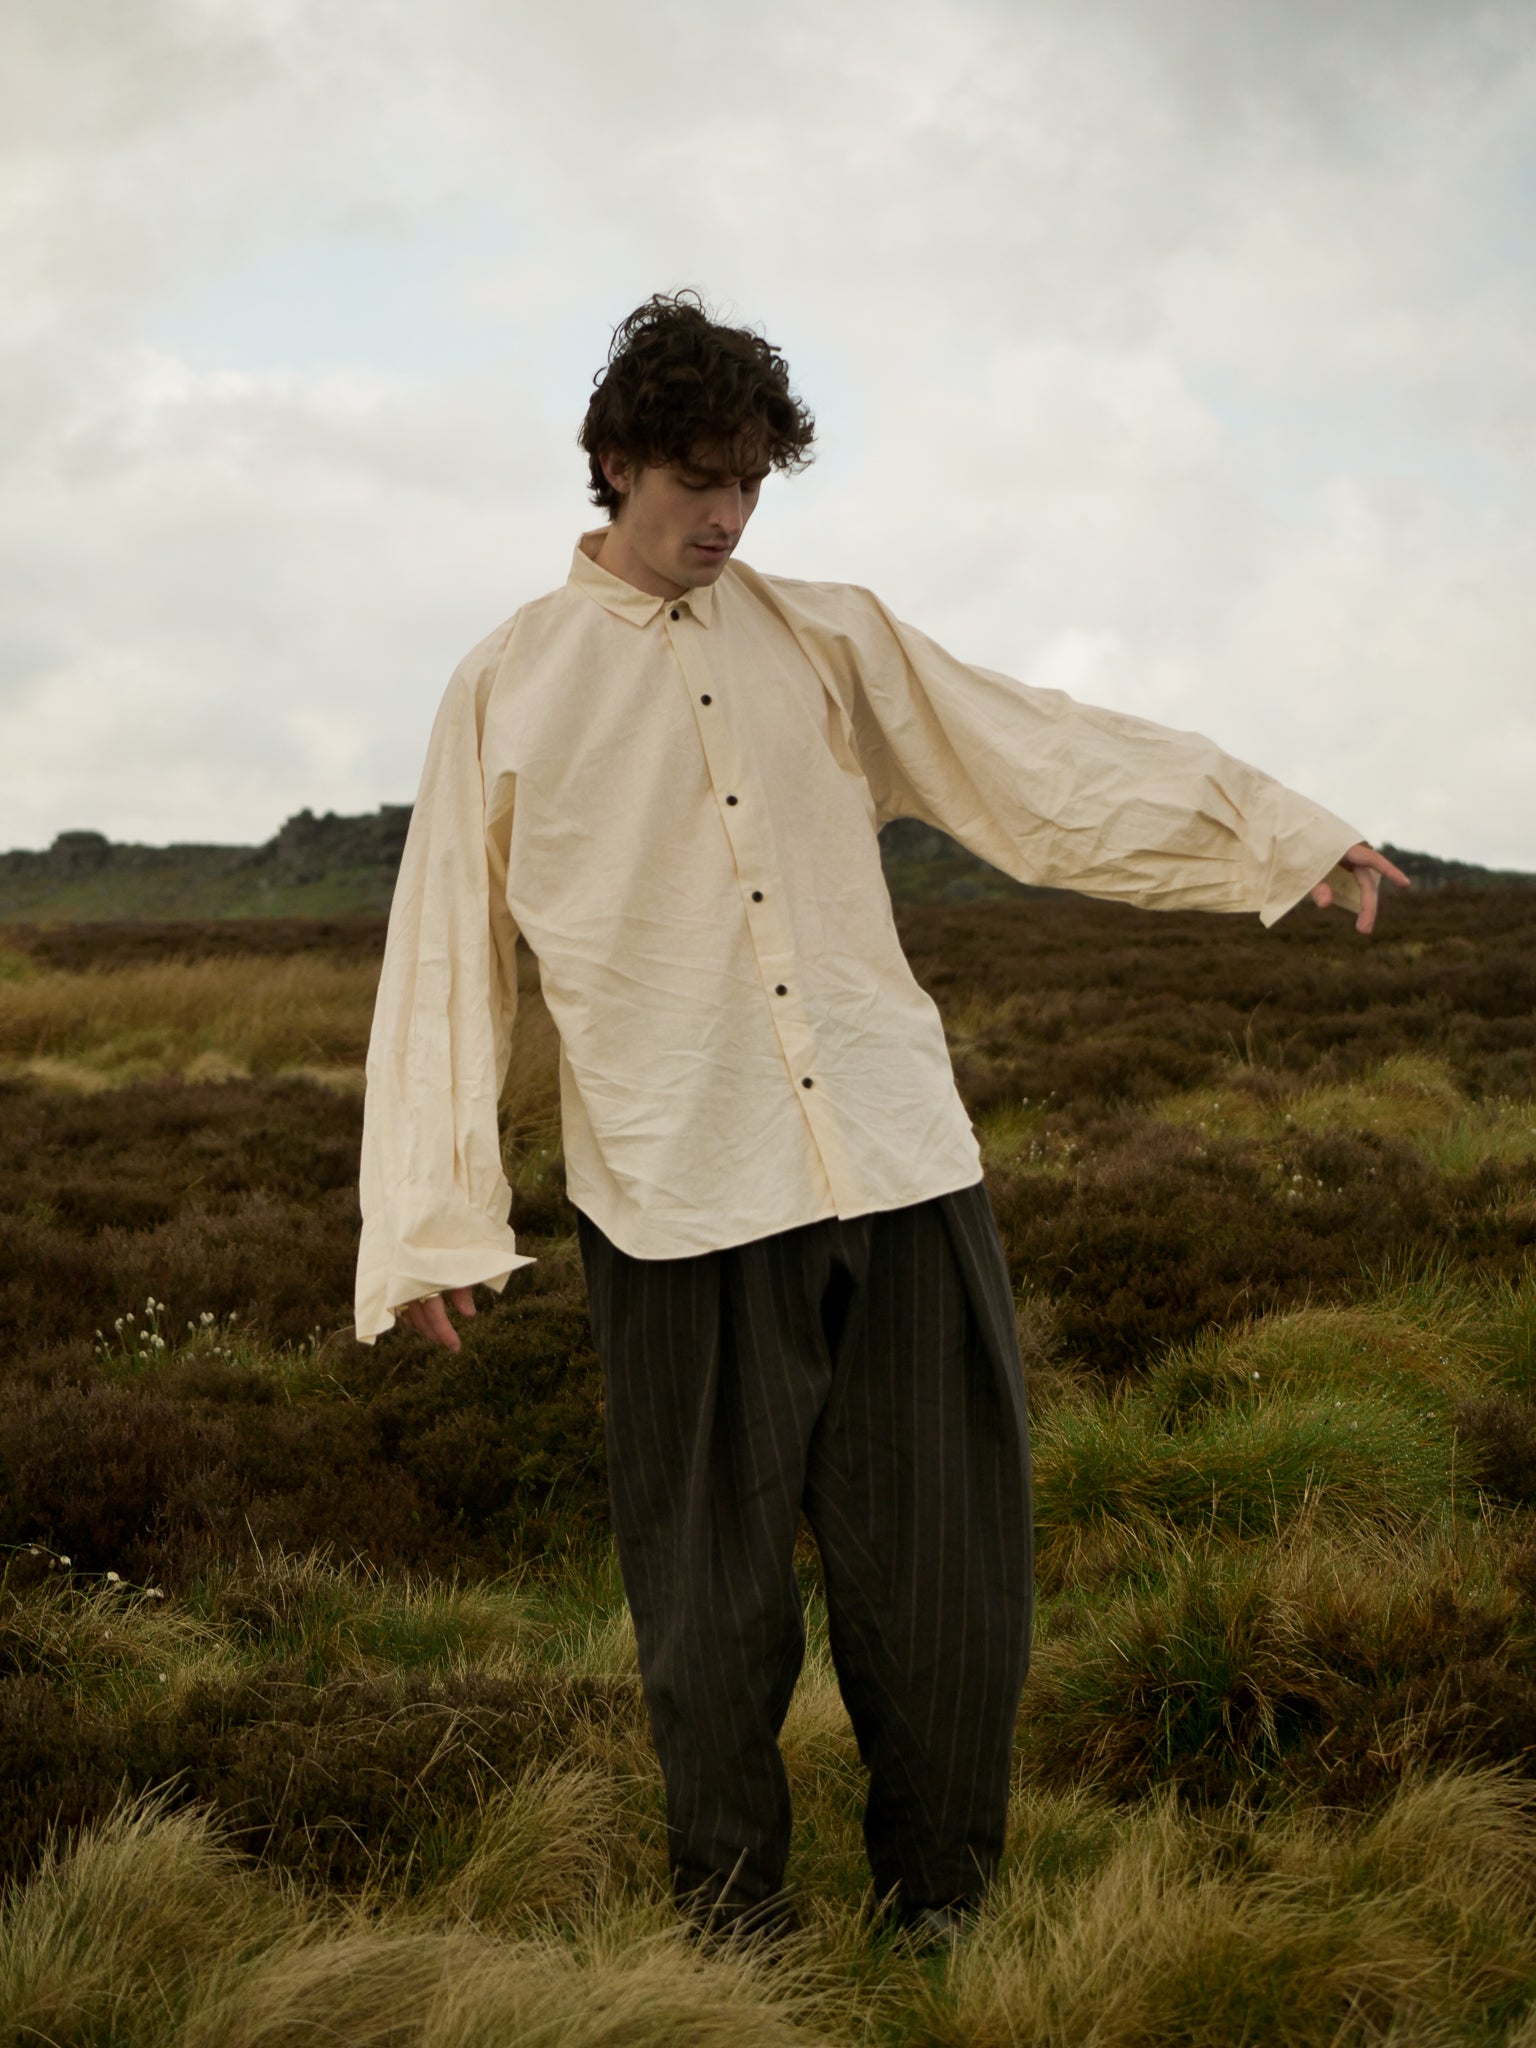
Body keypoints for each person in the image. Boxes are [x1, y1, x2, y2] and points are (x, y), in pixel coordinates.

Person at [353, 291, 1408, 1946]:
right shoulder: (508, 684)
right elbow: (444, 959)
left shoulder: (825, 639)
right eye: (698, 478)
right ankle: (732, 1928)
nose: (727, 515)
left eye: (755, 482)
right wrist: (430, 1218)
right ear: (613, 462)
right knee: (709, 1612)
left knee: (945, 1578)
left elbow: (1034, 761)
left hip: (902, 1168)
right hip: (682, 1194)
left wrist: (1279, 835)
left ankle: (943, 1909)